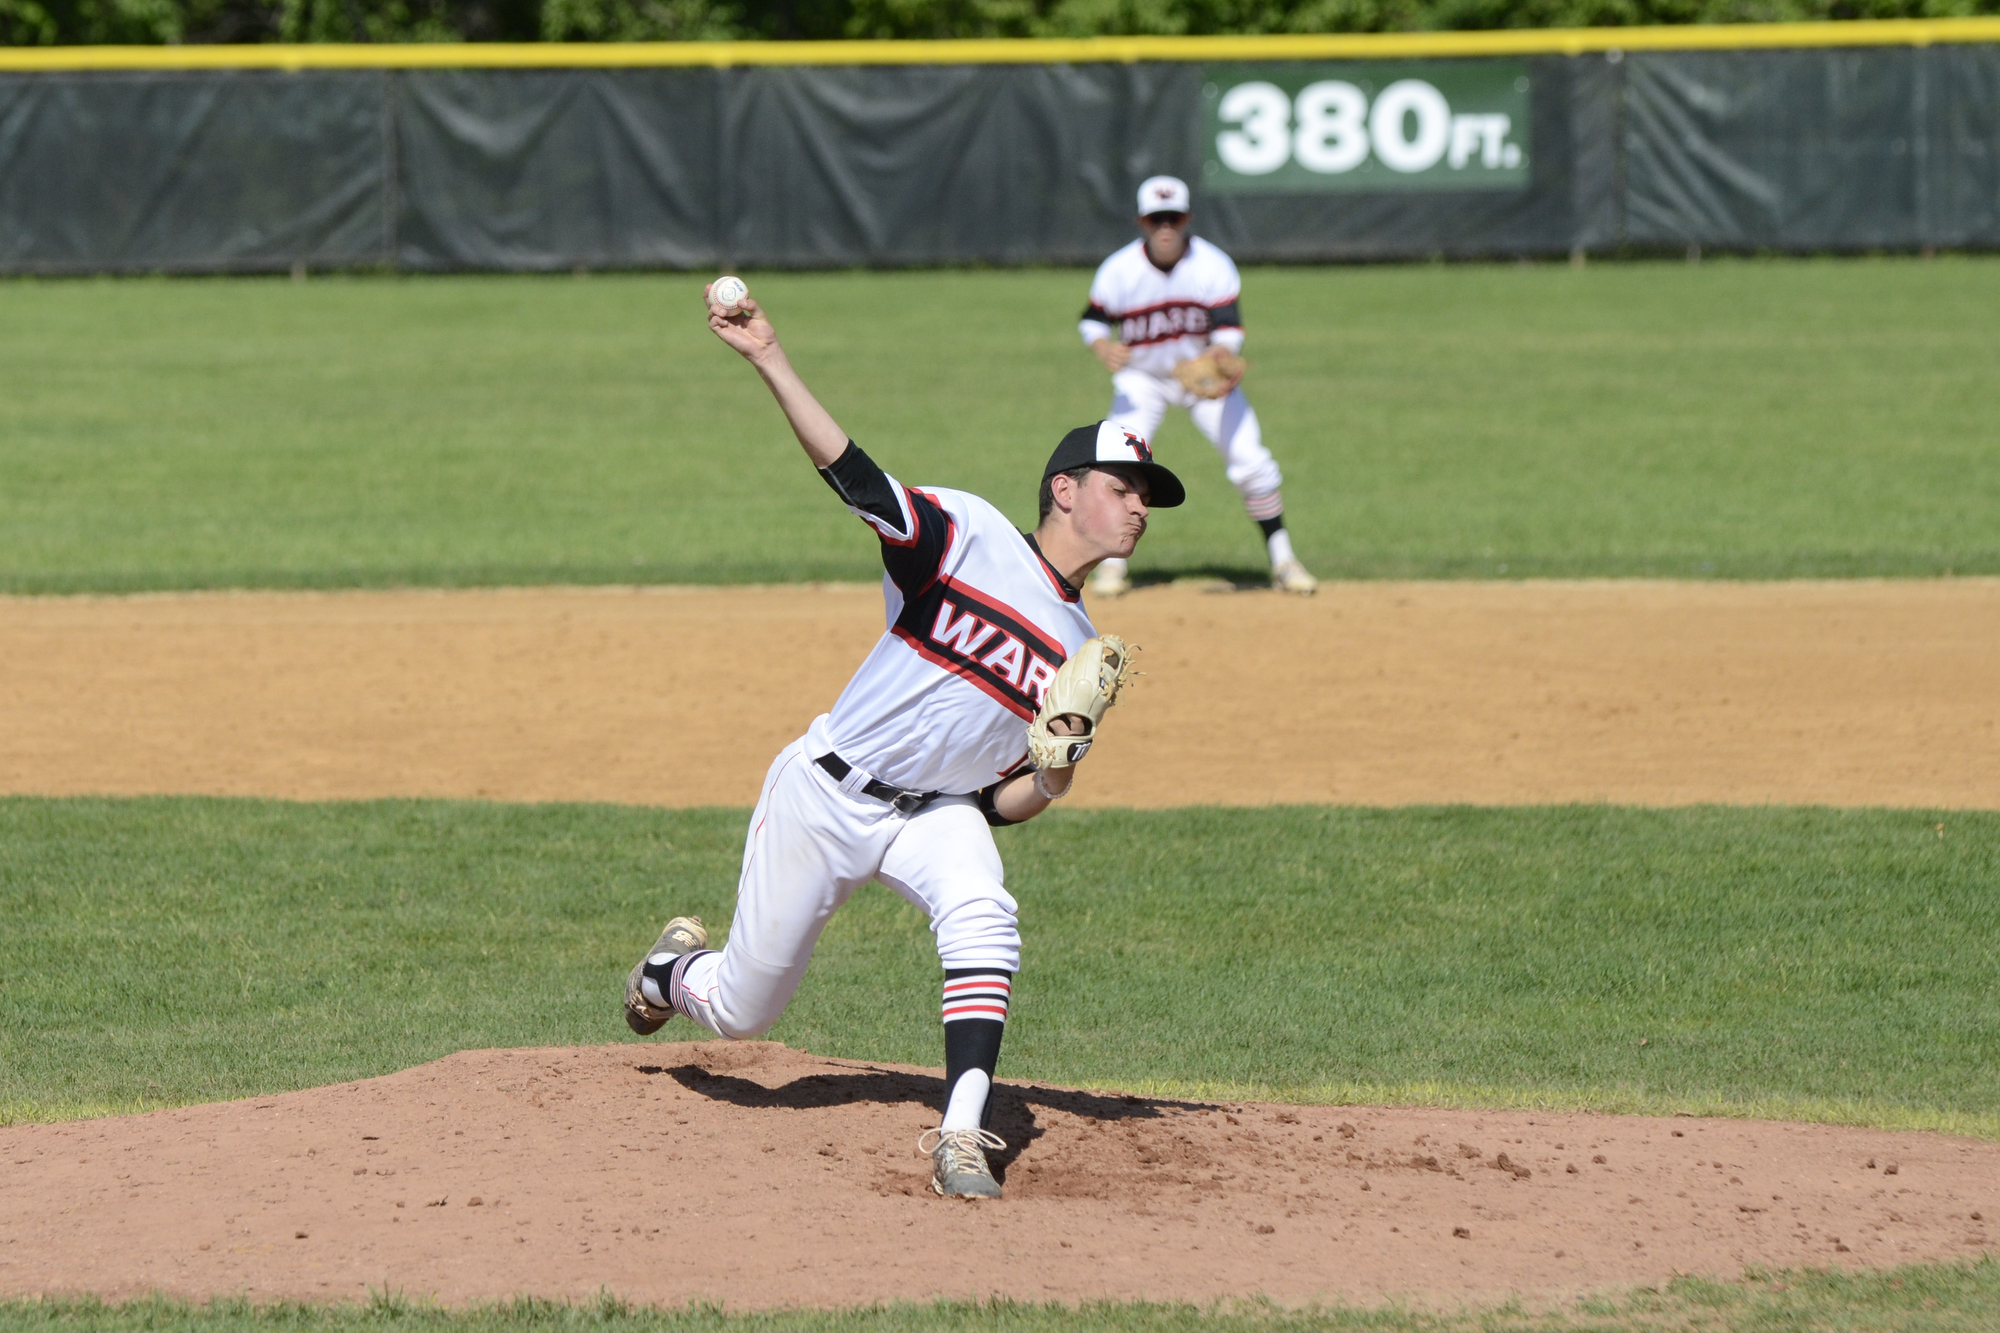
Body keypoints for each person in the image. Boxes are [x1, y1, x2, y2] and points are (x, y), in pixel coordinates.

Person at [622, 290, 1185, 1200]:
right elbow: (857, 477)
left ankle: (961, 1134)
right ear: (1065, 489)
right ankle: (668, 970)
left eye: (1148, 499)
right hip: (828, 790)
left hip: (935, 814)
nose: (1139, 511)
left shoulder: (1079, 655)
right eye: (1125, 490)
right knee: (742, 1010)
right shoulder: (965, 535)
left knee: (986, 914)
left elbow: (1001, 803)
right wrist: (769, 356)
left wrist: (1055, 774)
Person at [1079, 174, 1318, 599]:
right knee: (1116, 465)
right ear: (1141, 221)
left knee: (1250, 459)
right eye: (1157, 218)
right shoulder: (1119, 270)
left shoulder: (1212, 264)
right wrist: (1101, 346)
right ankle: (1112, 566)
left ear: (1187, 217)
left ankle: (1284, 560)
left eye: (1173, 217)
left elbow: (1227, 330)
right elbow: (1093, 318)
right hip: (1143, 380)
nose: (1166, 226)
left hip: (1202, 379)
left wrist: (1221, 359)